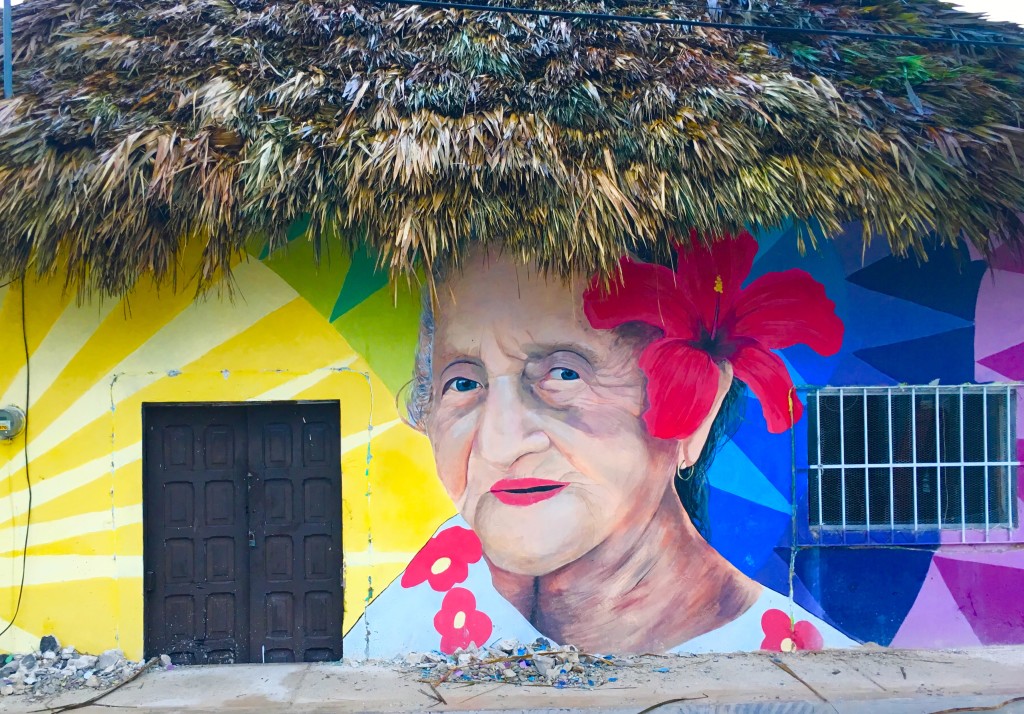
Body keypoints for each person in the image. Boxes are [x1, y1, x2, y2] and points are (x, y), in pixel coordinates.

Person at [344, 232, 856, 657]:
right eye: (462, 383)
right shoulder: (438, 580)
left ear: (696, 409)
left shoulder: (798, 668)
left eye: (564, 374)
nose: (498, 445)